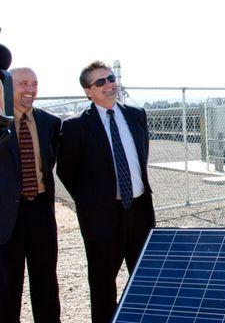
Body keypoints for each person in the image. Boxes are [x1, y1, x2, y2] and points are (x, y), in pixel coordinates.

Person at [57, 61, 155, 323]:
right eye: (100, 82)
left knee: (146, 279)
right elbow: (66, 172)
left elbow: (140, 158)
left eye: (110, 78)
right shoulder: (76, 126)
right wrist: (92, 202)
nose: (109, 84)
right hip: (102, 218)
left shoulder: (136, 116)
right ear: (88, 91)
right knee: (102, 285)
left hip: (139, 211)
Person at [0, 67, 61, 323]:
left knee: (46, 281)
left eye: (34, 83)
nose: (31, 89)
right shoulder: (0, 124)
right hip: (6, 217)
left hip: (41, 211)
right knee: (7, 286)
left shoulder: (50, 123)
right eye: (23, 83)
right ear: (7, 87)